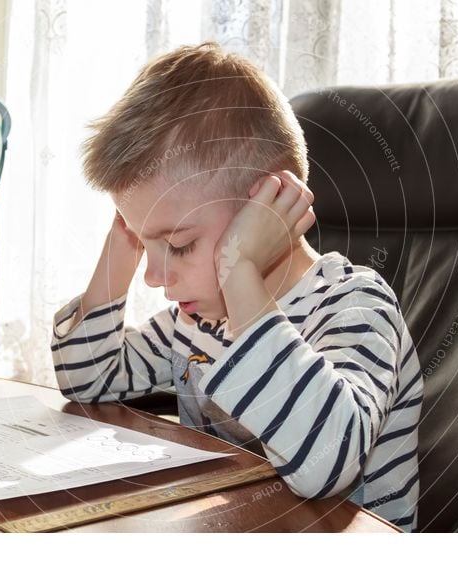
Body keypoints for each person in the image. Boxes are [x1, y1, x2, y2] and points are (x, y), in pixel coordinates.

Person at [51, 42, 424, 531]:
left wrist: (240, 268)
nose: (154, 278)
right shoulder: (198, 317)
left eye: (180, 244)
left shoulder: (354, 307)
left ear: (266, 209)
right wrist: (125, 242)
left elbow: (327, 465)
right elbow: (86, 383)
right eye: (148, 245)